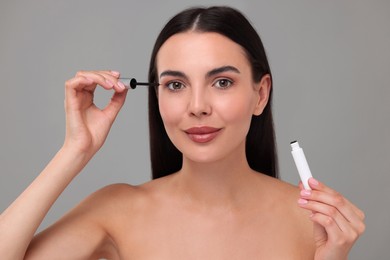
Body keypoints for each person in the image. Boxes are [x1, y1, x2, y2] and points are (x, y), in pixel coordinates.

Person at [0, 6, 365, 259]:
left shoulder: (314, 222)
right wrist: (74, 151)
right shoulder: (117, 211)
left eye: (222, 82)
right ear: (157, 96)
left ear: (261, 94)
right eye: (176, 85)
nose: (197, 106)